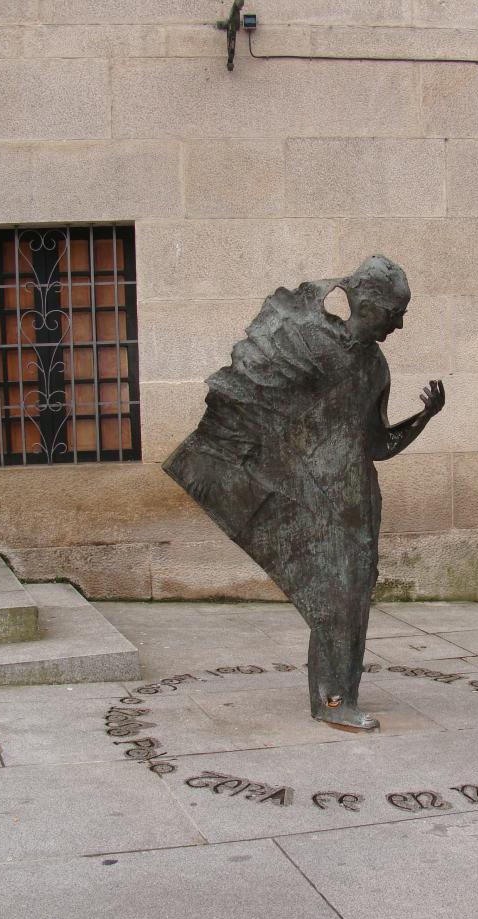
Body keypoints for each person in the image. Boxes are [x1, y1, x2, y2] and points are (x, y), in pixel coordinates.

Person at [163, 255, 445, 730]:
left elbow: (378, 445)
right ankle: (335, 702)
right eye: (394, 311)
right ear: (367, 301)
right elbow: (259, 397)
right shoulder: (312, 342)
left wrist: (424, 417)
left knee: (351, 597)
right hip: (305, 494)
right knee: (332, 598)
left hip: (357, 501)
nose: (399, 324)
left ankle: (336, 697)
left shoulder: (375, 367)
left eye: (402, 313)